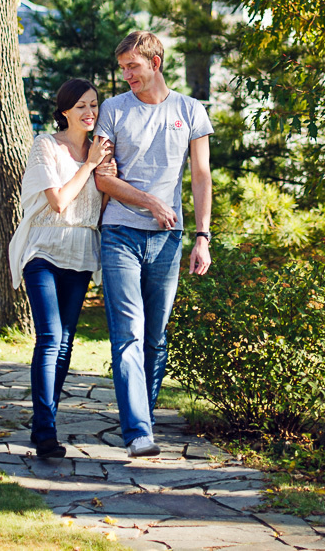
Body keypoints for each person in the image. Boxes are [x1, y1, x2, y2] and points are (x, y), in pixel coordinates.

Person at [93, 30, 213, 458]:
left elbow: (201, 176)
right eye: (123, 68)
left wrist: (203, 236)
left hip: (168, 240)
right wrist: (149, 203)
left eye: (133, 67)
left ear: (155, 63)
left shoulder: (190, 111)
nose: (126, 75)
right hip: (120, 232)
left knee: (156, 337)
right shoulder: (113, 110)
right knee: (128, 333)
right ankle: (138, 430)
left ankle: (141, 411)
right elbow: (103, 176)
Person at [8, 78, 115, 459]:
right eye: (82, 106)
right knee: (50, 337)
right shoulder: (46, 146)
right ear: (65, 110)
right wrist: (88, 166)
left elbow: (97, 211)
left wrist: (106, 175)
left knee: (66, 343)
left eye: (95, 105)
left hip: (81, 253)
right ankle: (45, 430)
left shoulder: (101, 151)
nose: (90, 112)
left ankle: (45, 421)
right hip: (44, 250)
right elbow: (59, 201)